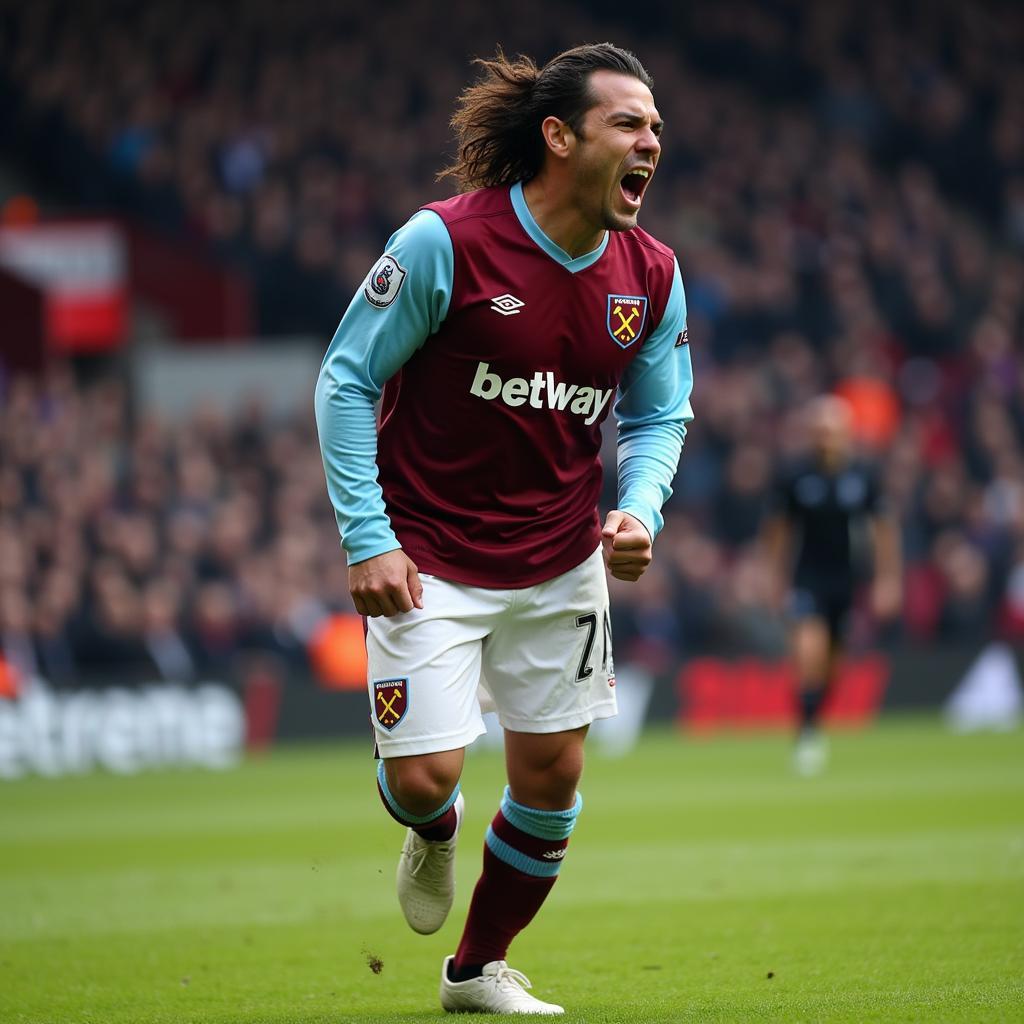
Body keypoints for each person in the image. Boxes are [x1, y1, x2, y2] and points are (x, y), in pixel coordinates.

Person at [315, 42, 693, 1015]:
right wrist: (366, 537)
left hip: (561, 560)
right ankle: (432, 828)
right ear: (560, 136)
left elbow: (658, 412)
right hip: (427, 557)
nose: (650, 140)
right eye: (629, 123)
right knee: (421, 778)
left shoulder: (648, 272)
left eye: (655, 126)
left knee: (553, 775)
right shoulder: (446, 242)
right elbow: (345, 378)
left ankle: (475, 967)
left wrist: (640, 507)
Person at [762, 395, 902, 775]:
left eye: (832, 431)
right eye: (819, 431)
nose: (825, 438)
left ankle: (813, 721)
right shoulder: (796, 477)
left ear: (846, 434)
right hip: (807, 579)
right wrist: (774, 579)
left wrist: (887, 579)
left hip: (846, 580)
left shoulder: (863, 476)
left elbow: (883, 530)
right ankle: (807, 733)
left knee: (831, 666)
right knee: (809, 652)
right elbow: (778, 532)